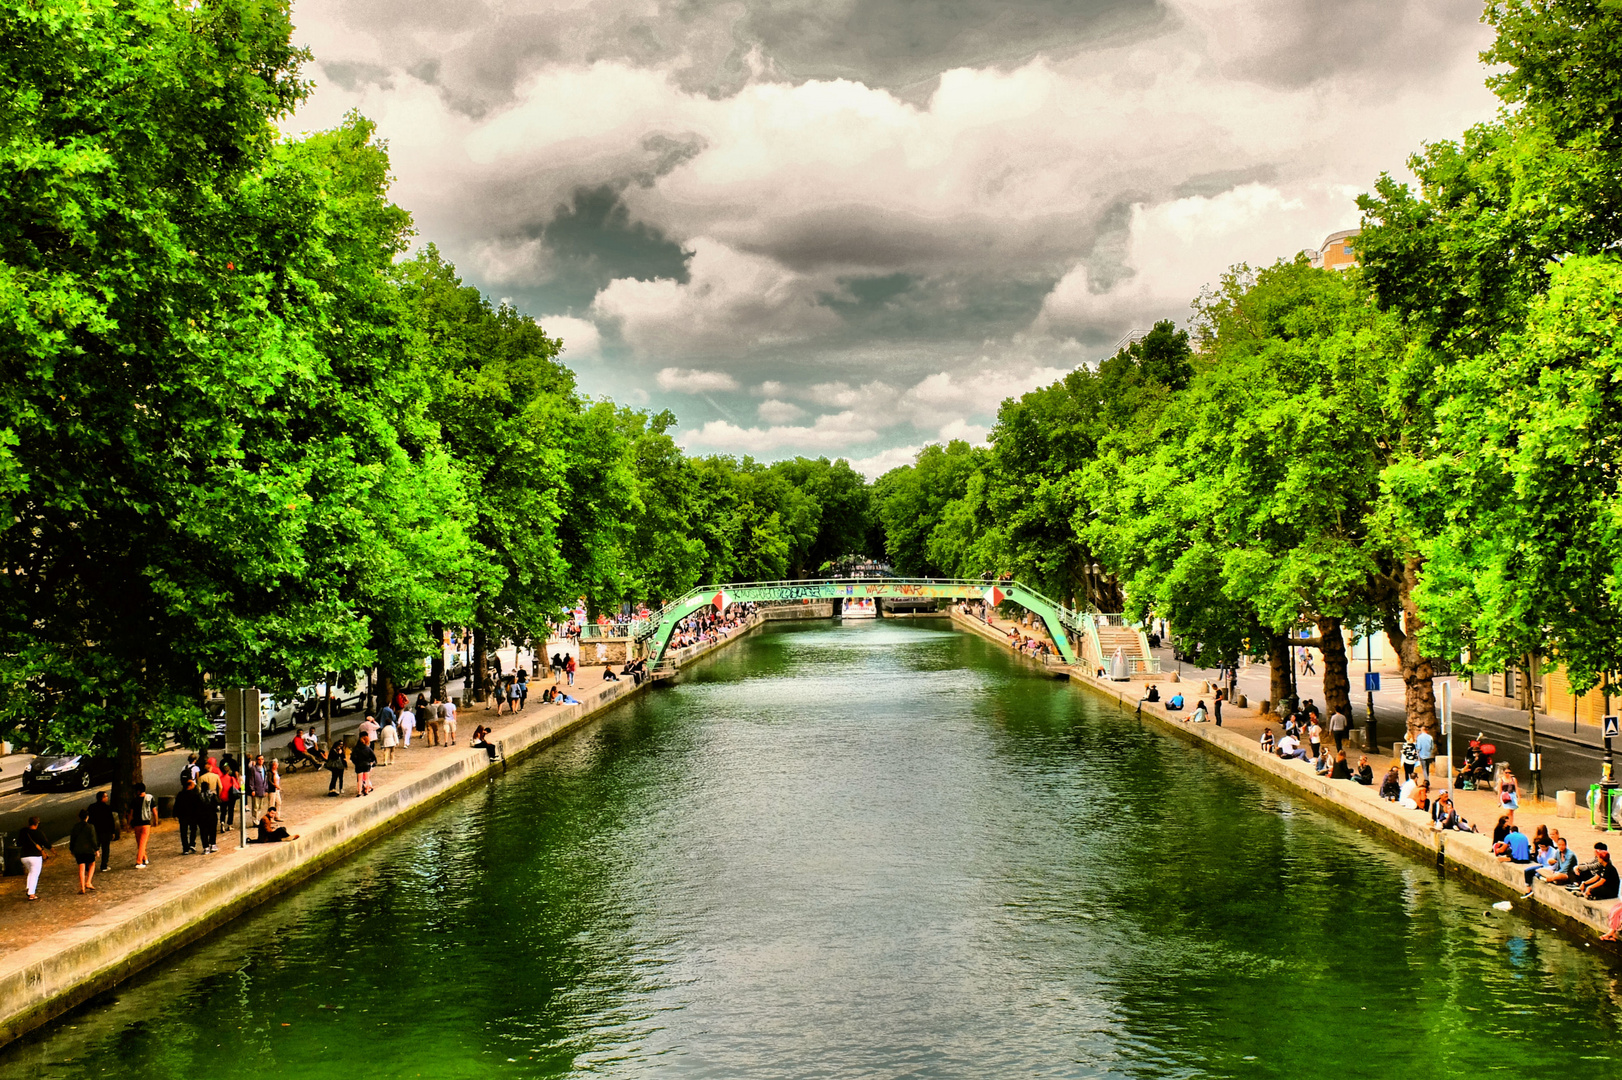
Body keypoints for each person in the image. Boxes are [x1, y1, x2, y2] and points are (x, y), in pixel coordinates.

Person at [17, 817, 50, 901]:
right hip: (35, 857)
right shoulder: (39, 833)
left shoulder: (23, 832)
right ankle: (31, 894)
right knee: (35, 874)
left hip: (24, 857)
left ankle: (29, 888)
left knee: (31, 872)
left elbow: (18, 844)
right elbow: (46, 843)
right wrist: (52, 850)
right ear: (36, 824)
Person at [87, 791, 119, 873]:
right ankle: (104, 865)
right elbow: (111, 821)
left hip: (95, 831)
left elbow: (89, 820)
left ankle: (88, 865)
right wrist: (113, 832)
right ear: (102, 798)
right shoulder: (107, 808)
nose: (107, 798)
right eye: (106, 796)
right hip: (105, 831)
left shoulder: (91, 807)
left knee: (93, 848)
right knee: (105, 849)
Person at [69, 807, 99, 894]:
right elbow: (93, 839)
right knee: (92, 865)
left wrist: (72, 849)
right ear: (87, 817)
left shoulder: (75, 827)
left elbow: (72, 839)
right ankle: (88, 882)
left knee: (81, 868)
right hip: (88, 849)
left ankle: (82, 887)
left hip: (78, 850)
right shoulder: (90, 827)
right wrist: (96, 849)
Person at [130, 782, 156, 868]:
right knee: (143, 843)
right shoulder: (149, 798)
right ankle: (140, 861)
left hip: (137, 824)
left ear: (138, 791)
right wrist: (155, 821)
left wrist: (129, 823)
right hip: (146, 823)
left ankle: (144, 858)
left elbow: (131, 813)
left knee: (140, 843)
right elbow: (154, 811)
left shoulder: (134, 800)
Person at [175, 775, 202, 854]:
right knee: (193, 830)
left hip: (183, 816)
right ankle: (192, 844)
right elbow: (198, 805)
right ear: (190, 785)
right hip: (193, 815)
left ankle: (185, 848)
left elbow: (177, 805)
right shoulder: (194, 795)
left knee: (183, 832)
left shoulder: (180, 794)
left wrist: (176, 814)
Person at [351, 732, 377, 797]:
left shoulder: (356, 749)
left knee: (359, 779)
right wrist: (370, 762)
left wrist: (356, 763)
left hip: (359, 765)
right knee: (367, 779)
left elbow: (352, 757)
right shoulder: (368, 749)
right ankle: (366, 791)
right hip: (366, 764)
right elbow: (373, 757)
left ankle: (359, 792)